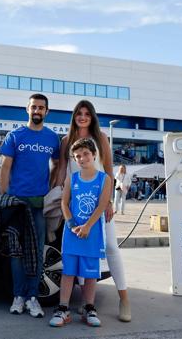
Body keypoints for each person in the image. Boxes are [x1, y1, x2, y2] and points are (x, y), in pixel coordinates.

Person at [55, 99, 131, 322]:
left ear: (92, 116)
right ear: (74, 116)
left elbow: (108, 170)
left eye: (87, 113)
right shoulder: (66, 140)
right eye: (79, 112)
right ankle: (86, 304)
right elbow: (62, 170)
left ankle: (124, 298)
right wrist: (60, 196)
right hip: (76, 203)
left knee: (110, 246)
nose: (83, 116)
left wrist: (108, 202)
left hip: (99, 204)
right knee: (79, 251)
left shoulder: (101, 139)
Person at [0, 93, 60, 318]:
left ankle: (33, 298)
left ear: (46, 112)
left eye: (41, 108)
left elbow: (57, 163)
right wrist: (3, 197)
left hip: (38, 204)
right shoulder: (15, 135)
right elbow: (5, 167)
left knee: (36, 251)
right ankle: (18, 296)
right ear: (27, 109)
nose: (37, 111)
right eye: (34, 107)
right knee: (16, 251)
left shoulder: (52, 138)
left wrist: (51, 187)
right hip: (16, 202)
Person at [50, 138, 111, 328]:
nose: (82, 158)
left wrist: (87, 226)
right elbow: (64, 203)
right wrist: (71, 223)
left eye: (85, 154)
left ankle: (89, 307)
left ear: (94, 155)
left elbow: (102, 205)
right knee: (68, 272)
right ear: (75, 160)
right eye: (78, 156)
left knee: (90, 274)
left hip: (91, 234)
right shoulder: (72, 178)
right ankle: (63, 308)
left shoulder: (104, 179)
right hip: (72, 234)